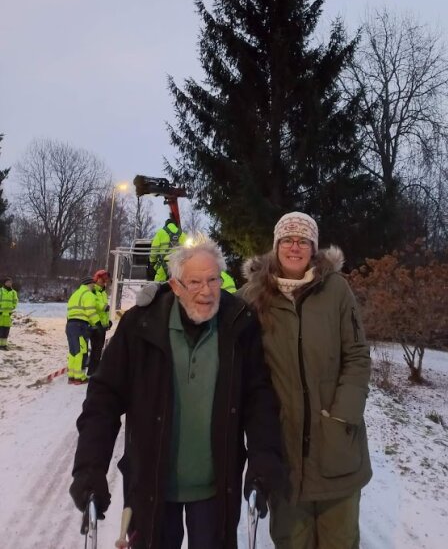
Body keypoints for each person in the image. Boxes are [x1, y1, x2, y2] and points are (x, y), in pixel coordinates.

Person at [70, 238, 283, 549]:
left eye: (213, 280)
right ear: (176, 285)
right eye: (195, 282)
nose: (207, 291)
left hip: (215, 489)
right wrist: (89, 471)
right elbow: (102, 400)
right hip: (151, 484)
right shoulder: (141, 324)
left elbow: (259, 400)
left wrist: (263, 463)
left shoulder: (239, 323)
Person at [239, 211, 372, 549]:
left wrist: (344, 415)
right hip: (283, 445)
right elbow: (207, 306)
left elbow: (357, 355)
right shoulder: (254, 296)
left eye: (303, 240)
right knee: (291, 540)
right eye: (287, 239)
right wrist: (163, 297)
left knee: (339, 540)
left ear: (313, 248)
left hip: (336, 445)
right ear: (276, 245)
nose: (294, 246)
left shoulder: (337, 290)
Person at [66, 276, 100, 384]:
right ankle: (79, 377)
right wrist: (97, 323)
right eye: (93, 284)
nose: (94, 286)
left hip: (70, 324)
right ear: (89, 284)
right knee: (81, 351)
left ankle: (71, 376)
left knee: (73, 351)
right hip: (80, 325)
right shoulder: (88, 295)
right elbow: (90, 311)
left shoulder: (74, 295)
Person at [87, 269, 113, 376]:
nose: (104, 282)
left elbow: (104, 313)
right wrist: (103, 307)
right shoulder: (93, 291)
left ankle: (94, 370)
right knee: (96, 349)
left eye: (105, 281)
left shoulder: (103, 292)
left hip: (102, 325)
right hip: (95, 325)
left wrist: (107, 322)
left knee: (98, 349)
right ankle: (93, 371)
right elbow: (94, 304)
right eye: (103, 280)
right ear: (97, 279)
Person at [149, 214, 188, 282]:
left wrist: (152, 261)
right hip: (178, 266)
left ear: (166, 224)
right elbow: (188, 251)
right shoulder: (182, 234)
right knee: (180, 284)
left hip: (164, 264)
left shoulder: (160, 232)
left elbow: (154, 249)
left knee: (157, 285)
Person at [0, 277, 18, 350]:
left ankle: (4, 345)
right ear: (4, 283)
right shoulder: (0, 291)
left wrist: (13, 307)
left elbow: (15, 301)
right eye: (7, 282)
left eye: (10, 282)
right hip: (0, 314)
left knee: (6, 330)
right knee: (0, 330)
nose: (9, 283)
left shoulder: (14, 292)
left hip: (8, 315)